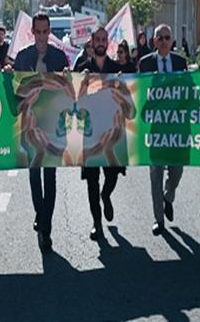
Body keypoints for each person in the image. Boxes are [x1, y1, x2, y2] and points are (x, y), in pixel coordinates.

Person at [10, 13, 69, 252]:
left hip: (52, 125)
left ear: (50, 32)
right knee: (34, 176)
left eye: (46, 32)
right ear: (32, 32)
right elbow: (14, 93)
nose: (43, 36)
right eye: (39, 32)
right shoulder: (23, 57)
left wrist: (68, 78)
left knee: (50, 176)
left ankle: (46, 227)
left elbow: (68, 93)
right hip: (29, 125)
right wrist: (7, 77)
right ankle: (40, 215)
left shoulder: (59, 57)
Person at [73, 27, 126, 241]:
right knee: (92, 180)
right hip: (90, 133)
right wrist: (79, 81)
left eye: (105, 39)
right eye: (98, 39)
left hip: (112, 132)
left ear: (108, 43)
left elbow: (131, 95)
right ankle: (97, 224)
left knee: (112, 175)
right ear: (92, 42)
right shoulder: (83, 67)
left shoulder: (118, 68)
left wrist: (124, 83)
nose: (102, 42)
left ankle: (107, 195)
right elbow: (72, 98)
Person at [138, 24, 187, 236]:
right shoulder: (145, 63)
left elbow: (190, 91)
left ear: (172, 40)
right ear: (154, 41)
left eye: (168, 37)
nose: (164, 41)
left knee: (176, 170)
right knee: (155, 173)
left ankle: (169, 196)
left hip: (177, 129)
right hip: (155, 129)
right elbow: (138, 92)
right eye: (160, 37)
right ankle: (159, 219)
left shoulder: (180, 62)